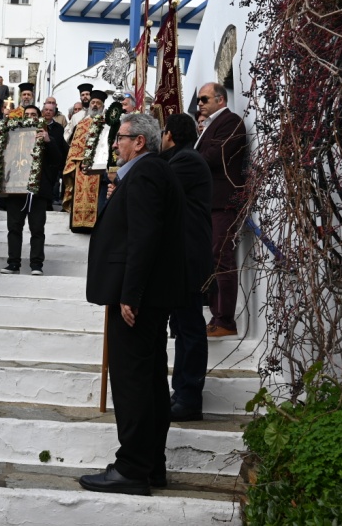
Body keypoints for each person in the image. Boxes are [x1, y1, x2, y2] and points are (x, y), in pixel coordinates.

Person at [78, 113, 188, 496]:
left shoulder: (145, 174)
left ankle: (132, 468)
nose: (115, 144)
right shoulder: (148, 173)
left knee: (133, 383)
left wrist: (131, 293)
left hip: (139, 300)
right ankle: (151, 465)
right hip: (148, 296)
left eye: (121, 137)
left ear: (139, 141)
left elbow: (144, 237)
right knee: (150, 380)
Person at [161, 113, 214, 421]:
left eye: (162, 133)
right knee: (182, 327)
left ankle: (190, 397)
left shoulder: (186, 161)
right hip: (181, 256)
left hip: (188, 256)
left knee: (190, 328)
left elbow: (159, 189)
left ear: (170, 135)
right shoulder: (182, 158)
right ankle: (181, 392)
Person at [195, 82, 247, 338]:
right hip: (209, 203)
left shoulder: (230, 121)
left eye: (204, 99)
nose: (199, 104)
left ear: (220, 99)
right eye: (198, 100)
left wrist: (192, 157)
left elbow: (213, 157)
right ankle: (216, 316)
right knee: (212, 258)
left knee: (221, 257)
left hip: (223, 202)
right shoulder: (210, 126)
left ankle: (225, 319)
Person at [1, 105, 67, 275]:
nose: (30, 117)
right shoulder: (13, 135)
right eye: (27, 114)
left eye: (33, 114)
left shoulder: (48, 136)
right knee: (14, 228)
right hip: (15, 188)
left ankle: (36, 264)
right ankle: (13, 263)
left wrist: (48, 141)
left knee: (37, 229)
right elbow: (3, 157)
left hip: (38, 191)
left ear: (39, 118)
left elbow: (59, 160)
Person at [62, 89, 107, 232]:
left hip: (99, 170)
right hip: (81, 168)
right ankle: (78, 224)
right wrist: (74, 163)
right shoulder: (81, 124)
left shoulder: (107, 125)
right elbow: (74, 146)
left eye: (98, 103)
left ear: (103, 106)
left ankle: (96, 226)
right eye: (93, 102)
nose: (95, 105)